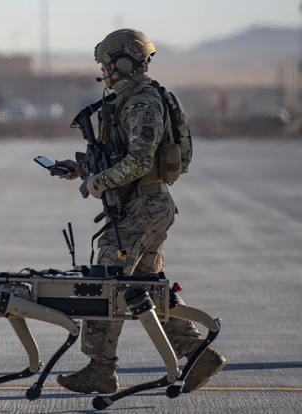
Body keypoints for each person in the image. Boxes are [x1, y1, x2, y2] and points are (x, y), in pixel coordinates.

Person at [54, 28, 226, 394]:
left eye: (108, 65)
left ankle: (101, 369)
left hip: (142, 208)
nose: (104, 72)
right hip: (142, 206)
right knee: (146, 289)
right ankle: (198, 355)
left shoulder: (142, 102)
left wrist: (97, 183)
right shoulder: (129, 100)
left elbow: (139, 160)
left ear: (126, 62)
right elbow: (125, 159)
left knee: (105, 284)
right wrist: (83, 169)